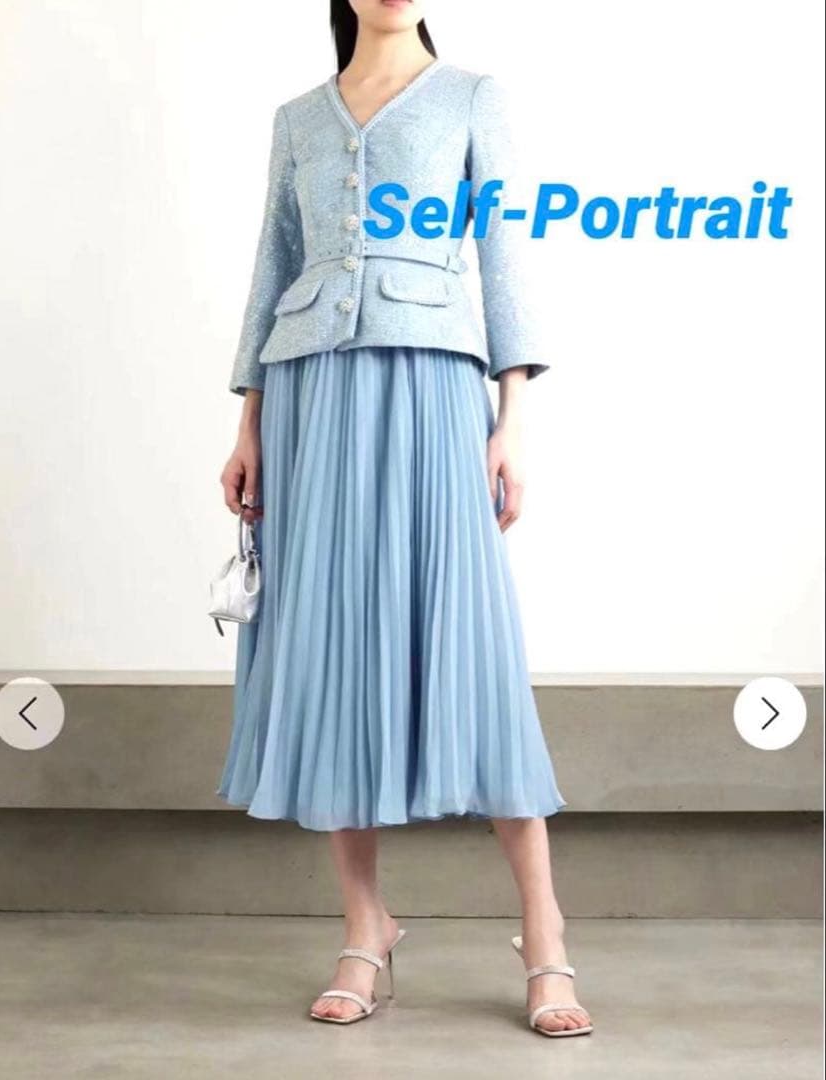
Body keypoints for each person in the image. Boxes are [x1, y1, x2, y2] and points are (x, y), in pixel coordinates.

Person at [216, 0, 593, 1038]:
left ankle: (545, 930)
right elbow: (272, 266)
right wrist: (248, 423)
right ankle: (364, 926)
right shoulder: (297, 118)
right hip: (308, 398)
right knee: (333, 646)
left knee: (472, 644)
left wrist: (512, 419)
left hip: (432, 387)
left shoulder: (473, 98)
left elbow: (504, 253)